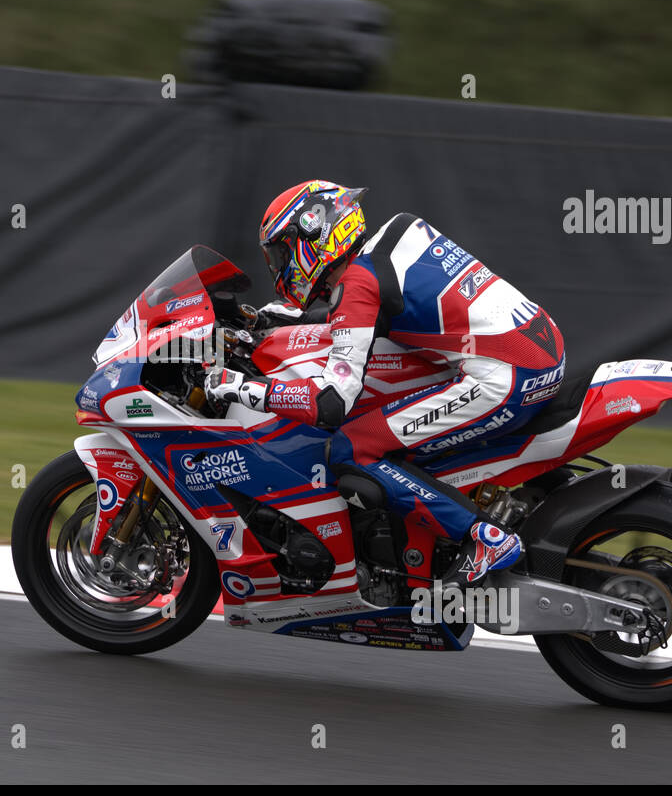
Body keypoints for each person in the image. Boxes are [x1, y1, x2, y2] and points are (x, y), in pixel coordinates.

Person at [204, 180, 566, 587]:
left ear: (314, 234)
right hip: (539, 345)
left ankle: (486, 538)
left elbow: (330, 404)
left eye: (283, 252)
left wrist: (241, 388)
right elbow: (378, 310)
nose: (279, 266)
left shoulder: (357, 285)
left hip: (506, 376)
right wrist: (275, 319)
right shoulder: (397, 233)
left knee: (352, 447)